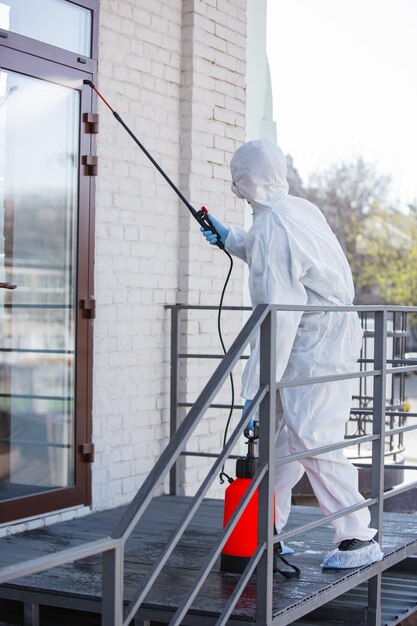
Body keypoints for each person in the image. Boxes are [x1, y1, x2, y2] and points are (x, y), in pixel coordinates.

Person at [201, 138, 383, 569]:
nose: (236, 190)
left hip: (311, 339)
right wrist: (233, 240)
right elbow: (285, 258)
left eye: (237, 181)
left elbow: (275, 321)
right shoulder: (297, 208)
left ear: (245, 182)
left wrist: (253, 390)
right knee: (285, 441)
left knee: (313, 436)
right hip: (328, 331)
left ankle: (357, 534)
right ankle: (267, 527)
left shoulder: (271, 229)